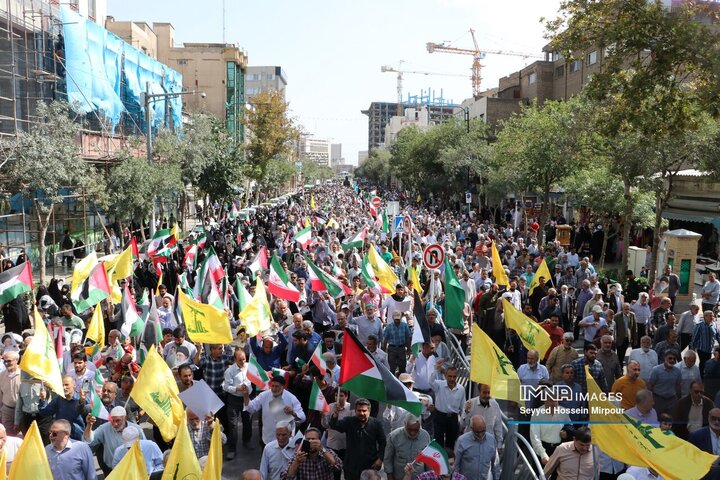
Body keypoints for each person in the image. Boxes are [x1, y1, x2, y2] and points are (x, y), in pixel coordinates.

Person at [329, 398, 385, 480]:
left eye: (364, 411)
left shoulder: (376, 424)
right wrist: (335, 414)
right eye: (359, 410)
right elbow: (335, 425)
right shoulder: (349, 421)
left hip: (370, 466)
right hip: (351, 467)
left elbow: (383, 442)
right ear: (355, 411)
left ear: (369, 411)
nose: (361, 413)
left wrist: (380, 459)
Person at [243, 374, 306, 446]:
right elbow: (251, 408)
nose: (274, 389)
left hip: (286, 441)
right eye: (272, 386)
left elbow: (302, 418)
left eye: (277, 386)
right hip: (268, 439)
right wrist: (246, 395)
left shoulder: (291, 398)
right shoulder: (264, 395)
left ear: (283, 387)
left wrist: (293, 413)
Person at [83, 405, 146, 476]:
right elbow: (89, 440)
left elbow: (145, 449)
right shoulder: (105, 428)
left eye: (118, 420)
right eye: (112, 420)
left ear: (125, 418)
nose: (115, 424)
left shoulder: (137, 429)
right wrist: (89, 425)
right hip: (112, 471)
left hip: (132, 469)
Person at [222, 347, 252, 457]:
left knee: (247, 421)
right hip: (234, 400)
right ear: (235, 359)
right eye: (240, 360)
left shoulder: (249, 367)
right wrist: (236, 388)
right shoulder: (229, 371)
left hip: (246, 398)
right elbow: (226, 386)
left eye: (244, 359)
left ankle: (247, 441)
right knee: (233, 425)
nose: (243, 362)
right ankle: (232, 449)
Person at [383, 414, 431, 480]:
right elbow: (388, 460)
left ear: (420, 425)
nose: (412, 433)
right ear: (404, 424)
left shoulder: (425, 436)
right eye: (409, 429)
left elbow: (428, 460)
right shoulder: (394, 436)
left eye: (416, 430)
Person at [454, 415, 499, 479]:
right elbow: (456, 465)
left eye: (483, 431)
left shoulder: (491, 440)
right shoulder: (462, 441)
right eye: (477, 432)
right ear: (471, 428)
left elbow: (495, 464)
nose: (480, 434)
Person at [431, 366, 465, 450]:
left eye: (454, 376)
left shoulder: (461, 389)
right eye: (450, 376)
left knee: (451, 443)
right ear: (445, 376)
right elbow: (430, 381)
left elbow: (462, 407)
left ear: (457, 376)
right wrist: (435, 368)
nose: (452, 379)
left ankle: (449, 462)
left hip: (453, 418)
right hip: (439, 416)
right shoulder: (439, 384)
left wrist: (463, 422)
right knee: (438, 442)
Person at [322, 389, 351, 480]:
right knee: (334, 470)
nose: (337, 398)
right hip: (332, 444)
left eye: (341, 395)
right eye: (336, 395)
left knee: (347, 470)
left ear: (346, 396)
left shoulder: (351, 408)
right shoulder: (330, 407)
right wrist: (323, 416)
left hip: (347, 445)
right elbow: (325, 425)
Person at [690, 310, 720, 375]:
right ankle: (701, 377)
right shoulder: (699, 325)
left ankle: (706, 375)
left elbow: (718, 335)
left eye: (712, 315)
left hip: (710, 349)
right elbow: (695, 337)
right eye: (710, 316)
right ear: (705, 317)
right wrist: (692, 348)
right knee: (703, 362)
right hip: (701, 349)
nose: (712, 317)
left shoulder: (714, 324)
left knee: (708, 362)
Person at [0, 351, 20, 433]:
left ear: (16, 360)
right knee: (8, 436)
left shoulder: (24, 374)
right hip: (7, 410)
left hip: (21, 412)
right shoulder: (1, 375)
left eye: (9, 361)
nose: (6, 363)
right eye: (4, 361)